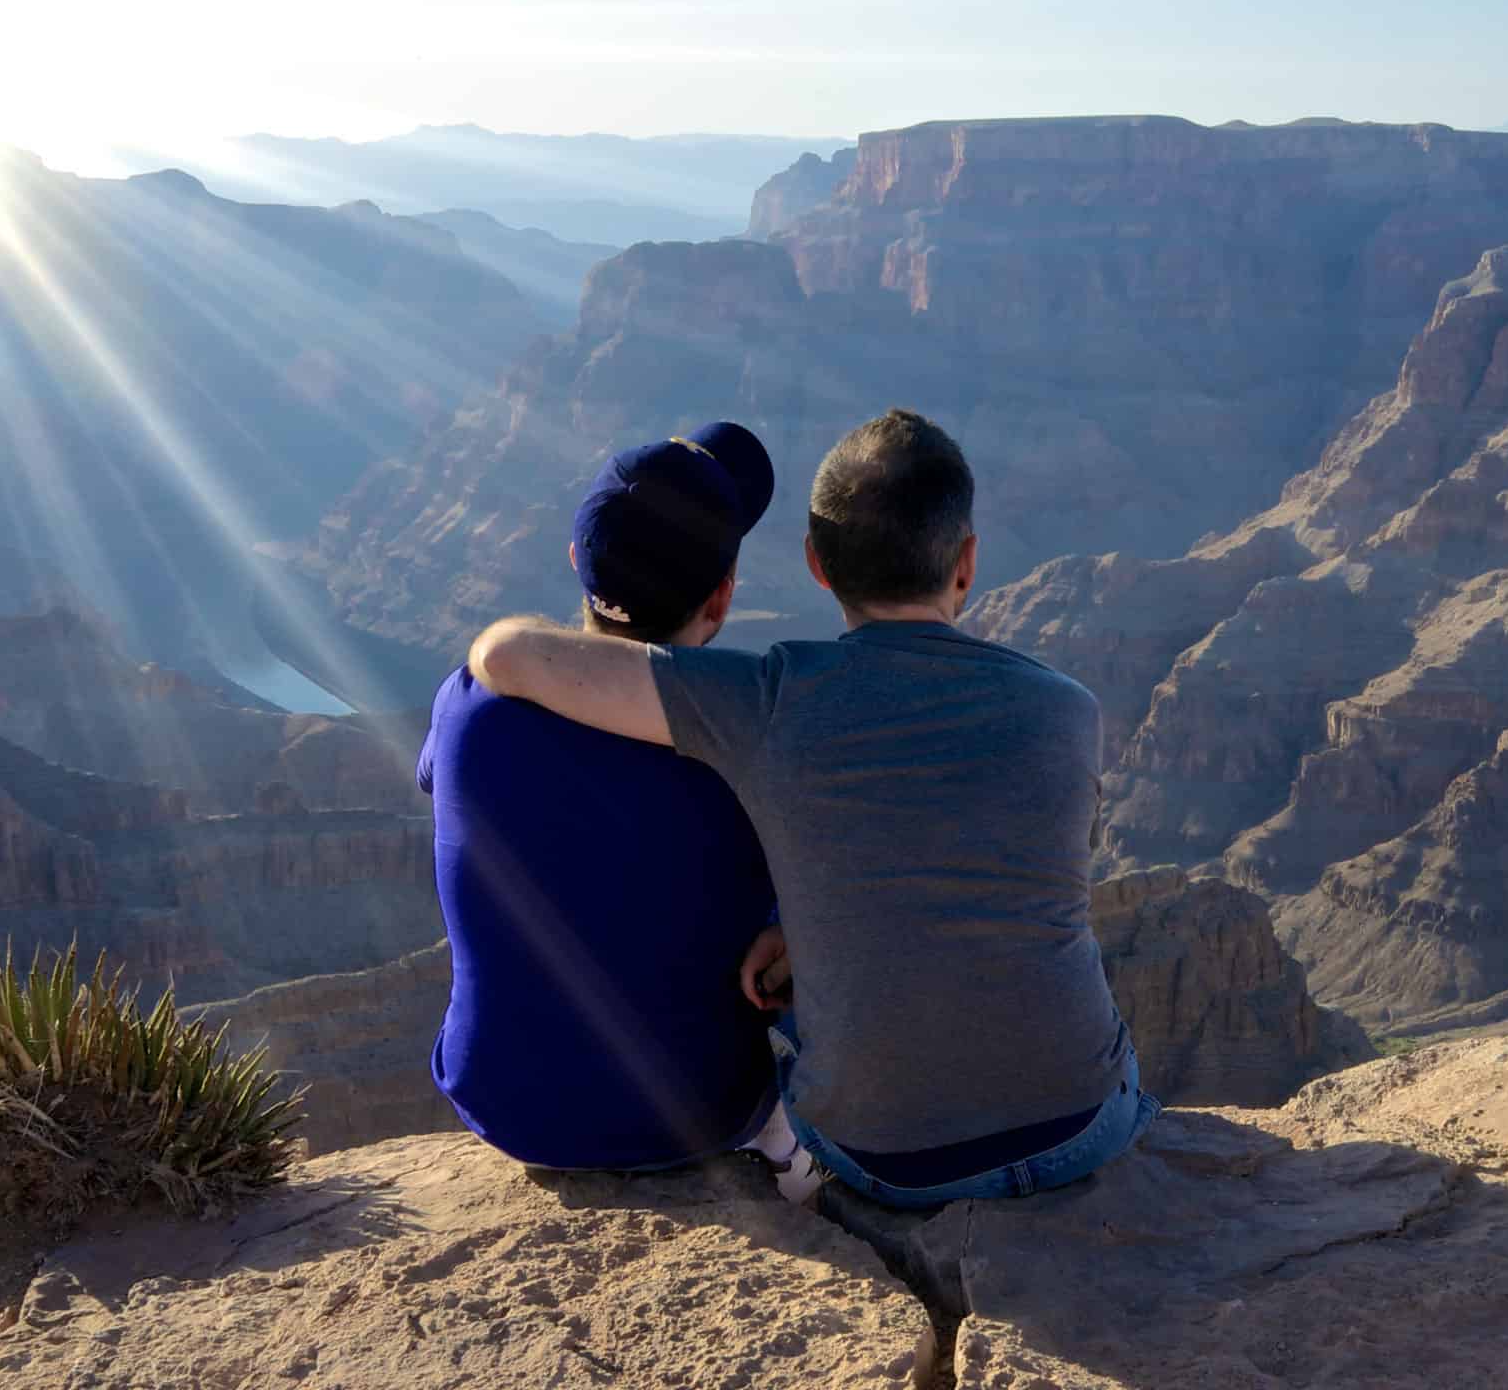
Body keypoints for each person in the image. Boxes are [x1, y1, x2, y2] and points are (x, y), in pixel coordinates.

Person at [468, 408, 1156, 1209]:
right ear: (965, 564)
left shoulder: (765, 697)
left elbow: (509, 658)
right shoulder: (1069, 710)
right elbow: (1001, 866)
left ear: (815, 566)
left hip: (887, 1163)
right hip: (1079, 1132)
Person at [418, 421, 812, 1191]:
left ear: (576, 559)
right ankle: (797, 1163)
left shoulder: (468, 699)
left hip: (504, 1104)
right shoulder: (747, 743)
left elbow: (443, 781)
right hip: (697, 1114)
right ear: (723, 595)